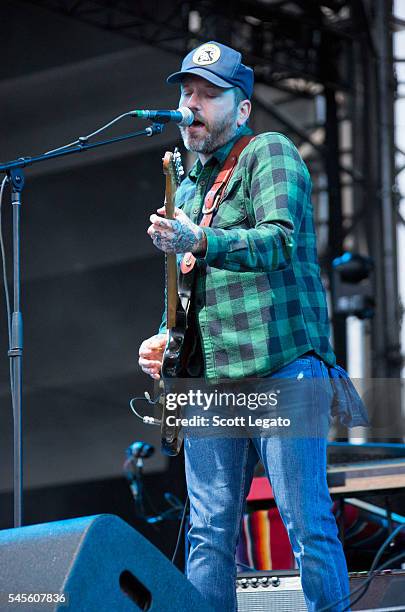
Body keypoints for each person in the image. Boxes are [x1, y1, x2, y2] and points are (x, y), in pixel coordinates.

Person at [138, 41, 365, 612]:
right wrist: (165, 336)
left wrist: (200, 239)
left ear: (240, 109)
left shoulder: (271, 151)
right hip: (213, 380)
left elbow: (279, 242)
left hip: (282, 363)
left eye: (208, 95)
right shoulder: (186, 185)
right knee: (208, 531)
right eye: (187, 92)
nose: (191, 104)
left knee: (305, 521)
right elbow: (192, 286)